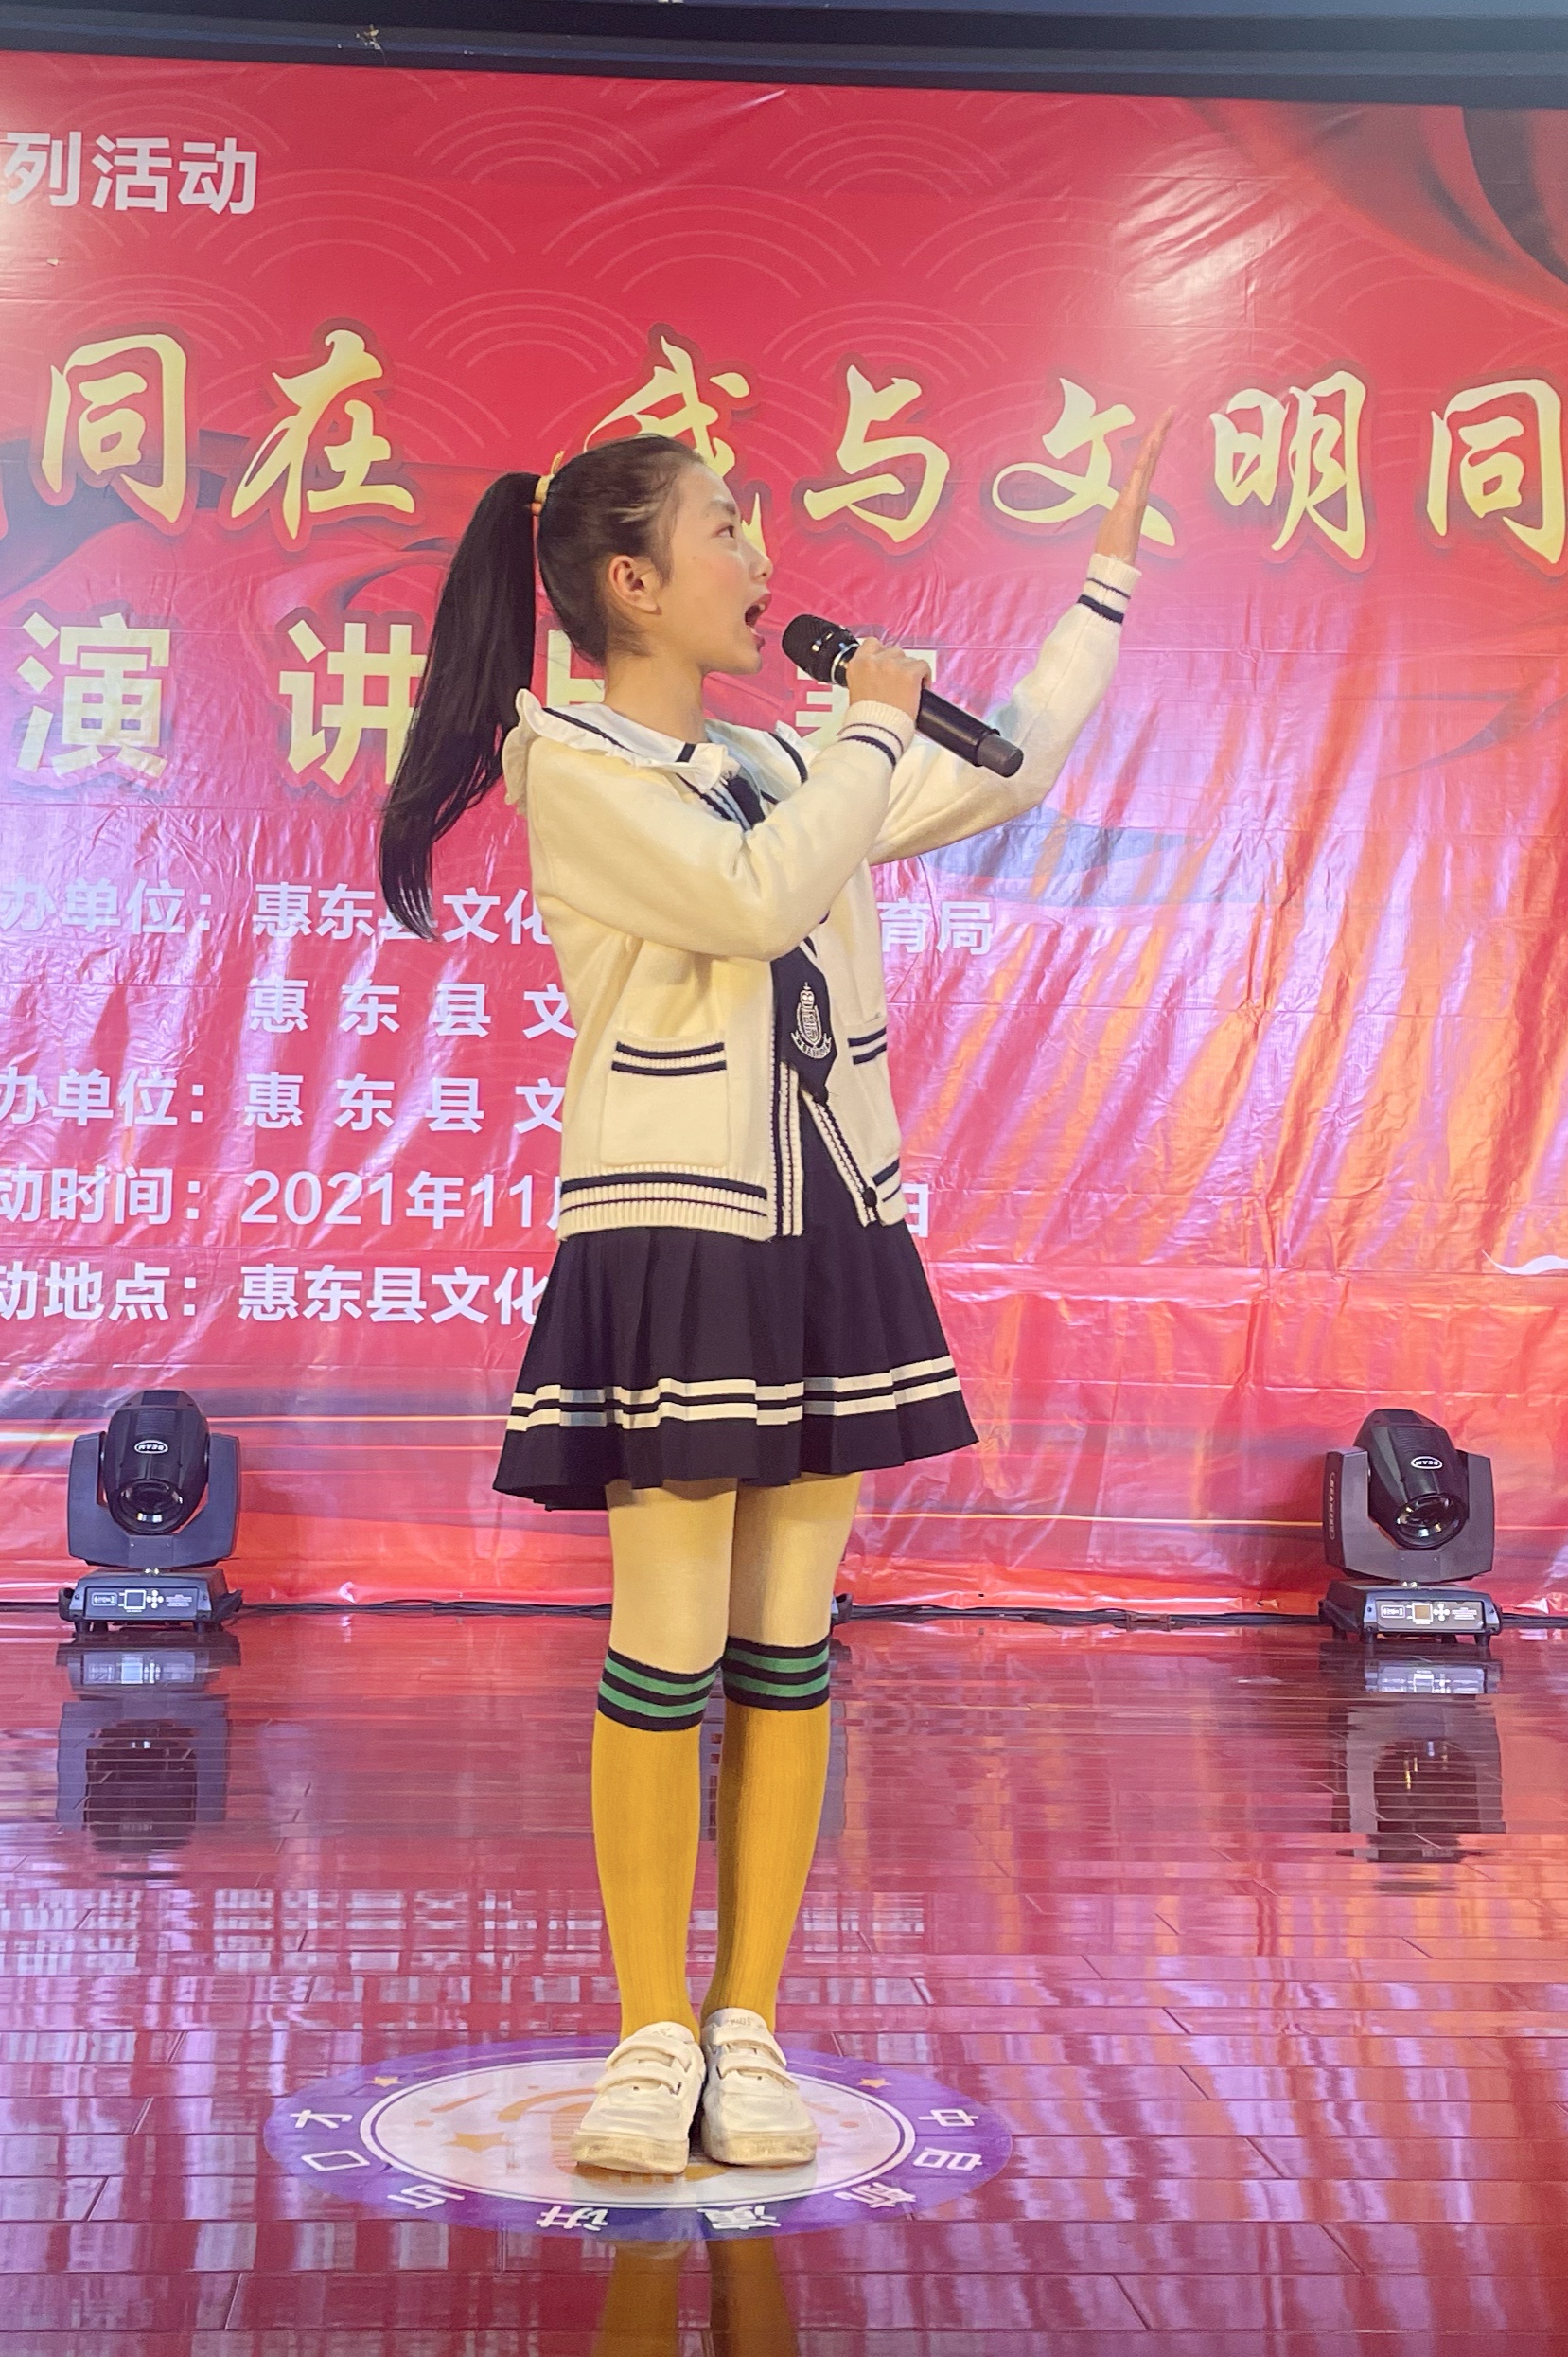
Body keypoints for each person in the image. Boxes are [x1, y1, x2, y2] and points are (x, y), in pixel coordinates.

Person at [376, 424, 1163, 2177]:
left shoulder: (774, 758)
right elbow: (753, 902)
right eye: (726, 530)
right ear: (633, 583)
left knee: (790, 1646)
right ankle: (649, 2032)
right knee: (664, 1643)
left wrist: (1104, 584)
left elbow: (1008, 771)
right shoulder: (573, 760)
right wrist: (871, 728)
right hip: (678, 1230)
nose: (760, 559)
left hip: (830, 1224)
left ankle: (748, 2024)